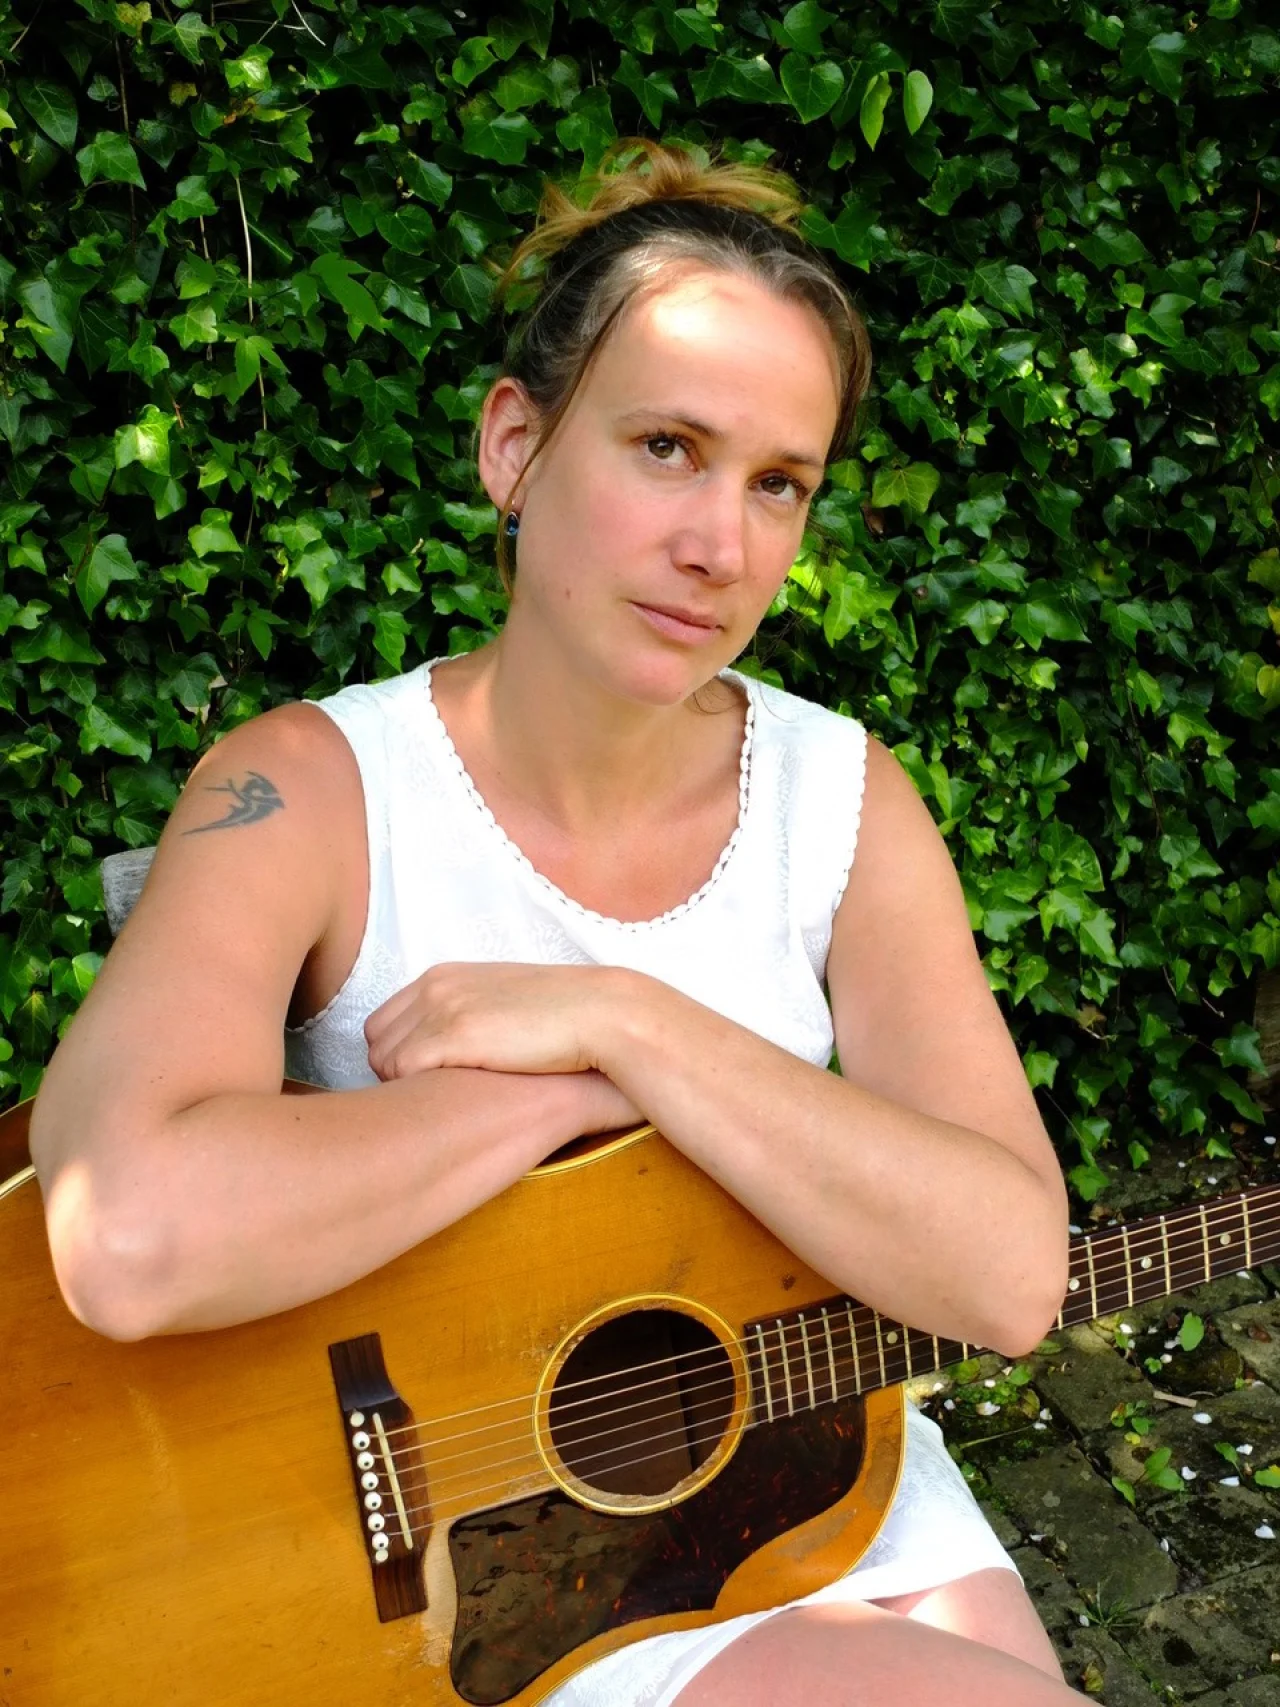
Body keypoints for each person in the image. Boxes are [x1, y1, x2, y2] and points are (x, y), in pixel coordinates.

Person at [30, 139, 1083, 1705]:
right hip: (467, 1574)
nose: (721, 543)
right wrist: (568, 1101)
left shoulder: (841, 800)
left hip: (797, 1472)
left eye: (778, 483)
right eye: (667, 446)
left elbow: (1008, 1274)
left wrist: (631, 1023)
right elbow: (123, 1232)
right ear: (514, 444)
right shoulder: (306, 791)